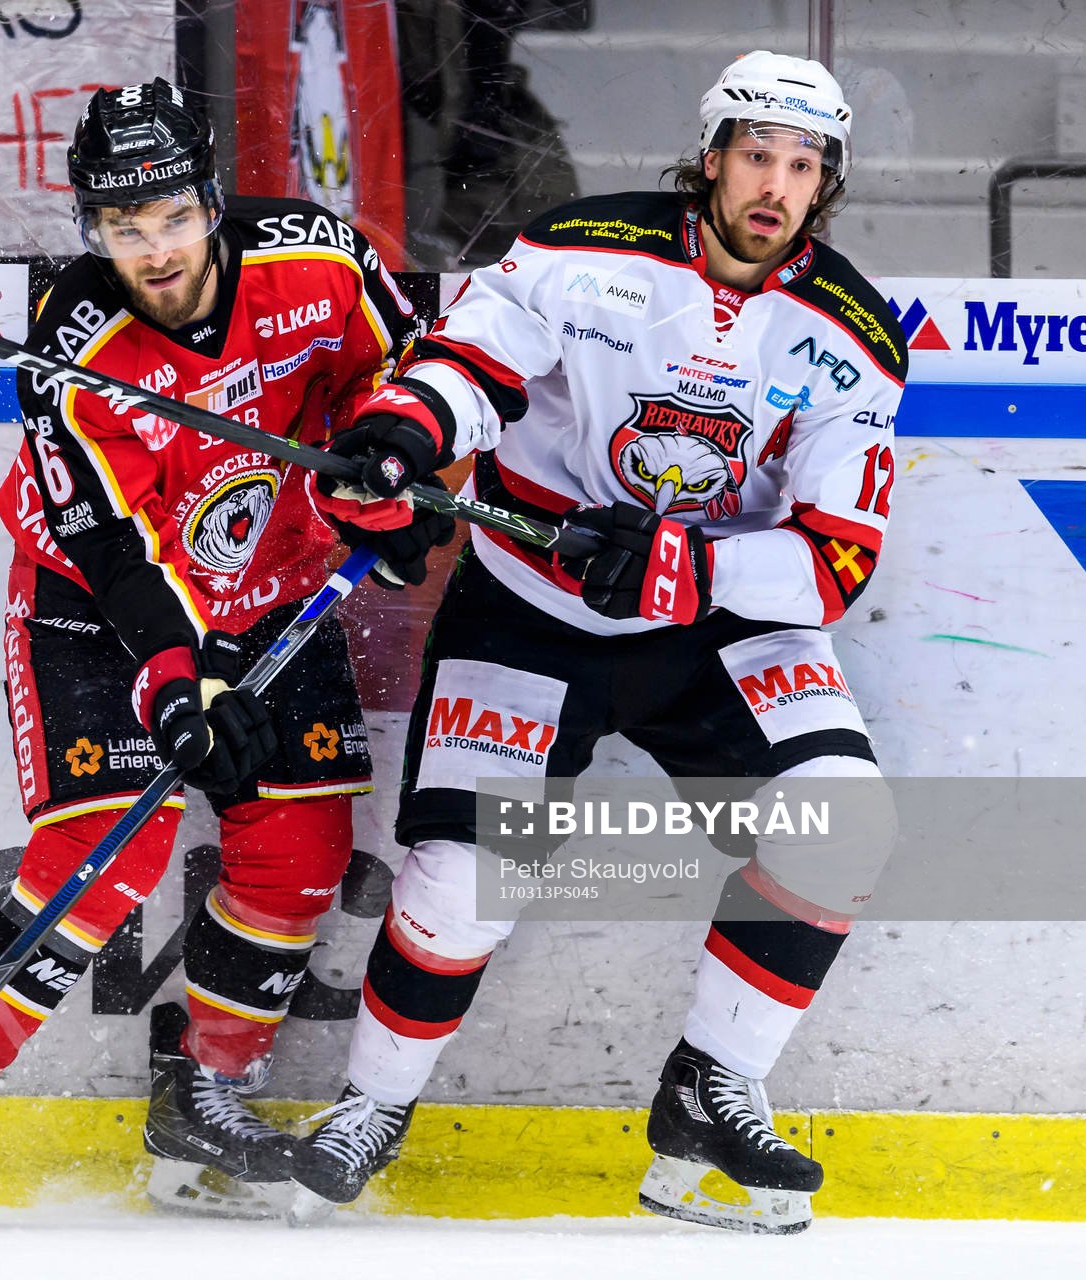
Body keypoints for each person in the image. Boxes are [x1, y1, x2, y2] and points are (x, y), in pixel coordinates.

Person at [297, 50, 906, 1235]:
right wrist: (400, 442)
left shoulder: (852, 331)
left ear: (821, 183)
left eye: (801, 166)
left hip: (720, 626)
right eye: (756, 156)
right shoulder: (581, 248)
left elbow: (835, 555)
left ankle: (705, 1089)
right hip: (534, 604)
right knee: (464, 879)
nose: (774, 187)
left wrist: (689, 564)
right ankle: (368, 1107)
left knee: (842, 819)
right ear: (712, 155)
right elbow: (467, 367)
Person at [0, 78, 447, 1226]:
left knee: (301, 847)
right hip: (96, 604)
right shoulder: (73, 339)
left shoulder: (316, 260)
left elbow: (402, 369)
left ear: (211, 199)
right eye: (124, 228)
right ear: (91, 228)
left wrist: (390, 465)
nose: (155, 250)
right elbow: (110, 539)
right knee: (105, 845)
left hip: (276, 585)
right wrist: (177, 673)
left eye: (173, 216)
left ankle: (201, 1104)